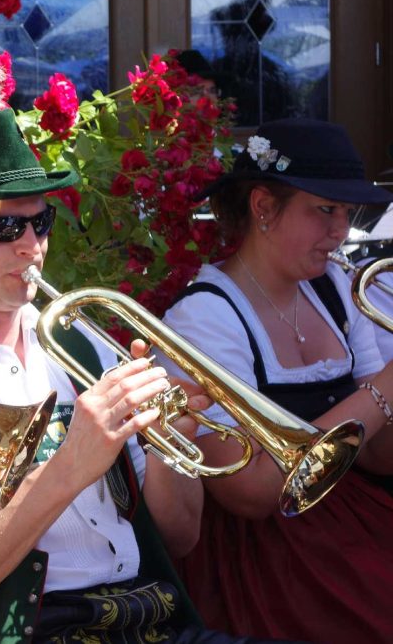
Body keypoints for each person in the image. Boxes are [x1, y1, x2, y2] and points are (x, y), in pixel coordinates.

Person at [0, 45, 251, 644]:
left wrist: (173, 441)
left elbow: (179, 536)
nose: (32, 246)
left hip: (149, 624)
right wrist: (66, 469)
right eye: (5, 227)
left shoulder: (79, 339)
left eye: (41, 223)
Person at [161, 118, 393, 641]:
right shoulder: (205, 317)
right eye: (325, 210)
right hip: (269, 557)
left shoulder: (334, 286)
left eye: (347, 213)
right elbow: (249, 492)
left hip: (352, 519)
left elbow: (377, 455)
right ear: (263, 207)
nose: (342, 231)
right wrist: (387, 388)